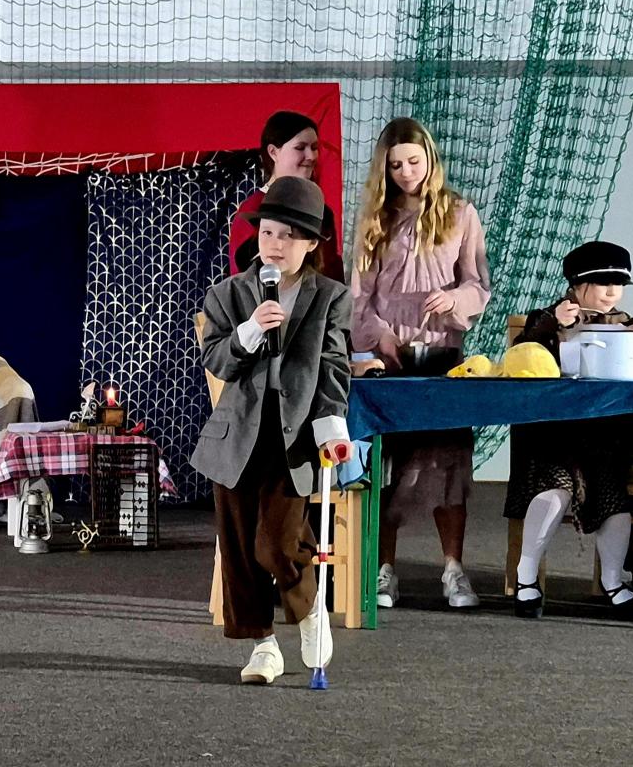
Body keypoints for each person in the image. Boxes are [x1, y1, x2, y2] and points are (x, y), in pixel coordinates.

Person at [193, 176, 353, 684]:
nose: (275, 244)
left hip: (295, 439)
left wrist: (331, 427)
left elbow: (333, 368)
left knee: (277, 545)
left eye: (288, 235)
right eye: (267, 232)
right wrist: (249, 330)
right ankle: (262, 646)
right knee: (240, 550)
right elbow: (217, 361)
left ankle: (308, 609)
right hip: (236, 439)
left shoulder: (330, 297)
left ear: (311, 243)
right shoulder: (228, 294)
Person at [347, 117, 491, 608]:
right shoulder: (375, 221)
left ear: (430, 159)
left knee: (447, 463)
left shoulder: (460, 214)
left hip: (442, 358)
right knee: (388, 465)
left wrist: (454, 299)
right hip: (389, 361)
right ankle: (383, 569)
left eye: (414, 161)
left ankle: (454, 570)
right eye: (395, 165)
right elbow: (358, 299)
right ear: (383, 170)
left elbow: (478, 284)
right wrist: (381, 337)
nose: (406, 172)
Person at [506, 241, 633, 618]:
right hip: (551, 435)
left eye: (618, 284)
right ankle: (526, 578)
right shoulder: (545, 318)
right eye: (602, 282)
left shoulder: (626, 323)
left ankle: (614, 581)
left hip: (601, 437)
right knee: (555, 491)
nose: (611, 292)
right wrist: (553, 325)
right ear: (575, 285)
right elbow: (521, 357)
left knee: (613, 499)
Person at [228, 111, 340, 276]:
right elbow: (240, 280)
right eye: (300, 148)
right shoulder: (253, 209)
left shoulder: (322, 211)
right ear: (273, 152)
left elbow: (331, 272)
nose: (311, 156)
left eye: (314, 148)